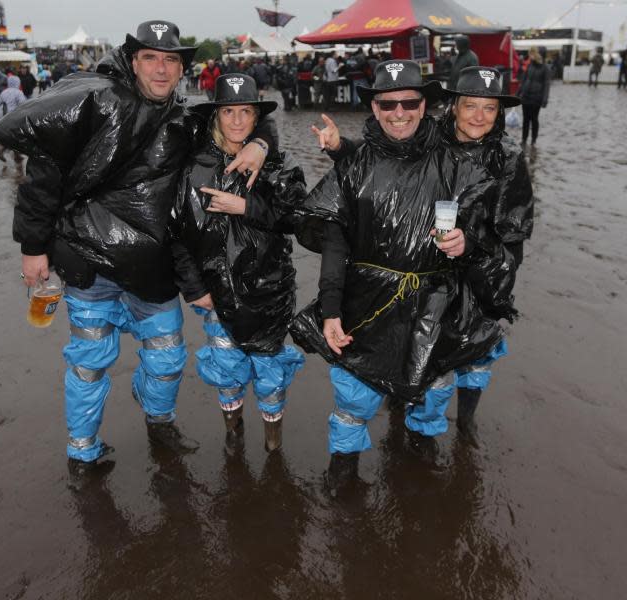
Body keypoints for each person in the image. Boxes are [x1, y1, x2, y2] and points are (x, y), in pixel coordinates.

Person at [0, 20, 276, 471]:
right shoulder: (93, 102)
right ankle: (82, 450)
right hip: (88, 267)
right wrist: (32, 247)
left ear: (183, 68)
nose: (161, 70)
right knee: (88, 362)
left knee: (167, 358)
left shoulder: (186, 119)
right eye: (150, 58)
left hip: (152, 270)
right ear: (132, 59)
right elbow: (42, 177)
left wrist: (261, 142)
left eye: (171, 60)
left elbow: (238, 125)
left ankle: (159, 424)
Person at [292, 60, 506, 488]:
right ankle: (344, 466)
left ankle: (421, 446)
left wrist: (467, 242)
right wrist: (331, 311)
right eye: (387, 104)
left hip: (434, 298)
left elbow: (491, 233)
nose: (399, 112)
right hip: (366, 298)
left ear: (425, 105)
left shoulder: (456, 163)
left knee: (435, 381)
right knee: (354, 391)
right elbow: (334, 245)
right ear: (374, 108)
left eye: (410, 102)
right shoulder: (354, 166)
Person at [174, 74, 307, 451]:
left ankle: (272, 440)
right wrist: (195, 289)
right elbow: (179, 235)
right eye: (228, 111)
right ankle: (233, 433)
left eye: (244, 112)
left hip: (271, 292)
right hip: (217, 294)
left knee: (270, 372)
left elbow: (299, 219)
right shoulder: (196, 167)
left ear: (255, 117)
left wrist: (246, 207)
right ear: (215, 115)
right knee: (227, 368)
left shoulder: (276, 162)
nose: (235, 121)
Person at [439, 66, 534, 443]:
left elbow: (514, 230)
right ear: (453, 107)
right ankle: (413, 419)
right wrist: (261, 142)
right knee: (424, 348)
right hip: (431, 269)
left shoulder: (509, 157)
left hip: (485, 270)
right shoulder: (429, 144)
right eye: (470, 106)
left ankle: (466, 420)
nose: (479, 116)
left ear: (499, 113)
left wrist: (476, 249)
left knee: (478, 351)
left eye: (489, 108)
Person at [517, 47, 550, 146]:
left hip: (536, 98)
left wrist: (545, 99)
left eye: (533, 54)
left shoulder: (545, 68)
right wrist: (518, 93)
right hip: (526, 97)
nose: (531, 56)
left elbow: (546, 84)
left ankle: (533, 140)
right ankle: (524, 139)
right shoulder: (530, 65)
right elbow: (524, 80)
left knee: (534, 119)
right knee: (525, 119)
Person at [0, 75, 27, 162]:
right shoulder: (19, 92)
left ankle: (17, 155)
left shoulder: (4, 92)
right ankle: (1, 150)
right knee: (16, 136)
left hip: (5, 117)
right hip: (15, 117)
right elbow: (24, 105)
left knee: (13, 135)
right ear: (18, 83)